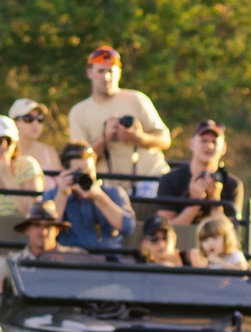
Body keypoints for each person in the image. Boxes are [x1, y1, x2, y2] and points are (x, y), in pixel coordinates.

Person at [65, 45, 170, 196]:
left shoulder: (137, 99)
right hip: (109, 187)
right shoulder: (78, 112)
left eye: (111, 71)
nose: (106, 77)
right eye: (100, 71)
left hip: (151, 180)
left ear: (119, 73)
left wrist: (138, 137)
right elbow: (77, 160)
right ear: (89, 73)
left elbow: (165, 140)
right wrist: (105, 138)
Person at [0, 201, 86, 295]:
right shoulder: (12, 262)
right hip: (22, 314)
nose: (43, 232)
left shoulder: (75, 258)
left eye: (48, 226)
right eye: (37, 226)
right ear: (27, 230)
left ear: (57, 230)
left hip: (68, 314)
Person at [46, 141, 135, 252]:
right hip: (69, 261)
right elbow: (44, 231)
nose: (85, 176)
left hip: (107, 261)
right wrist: (62, 195)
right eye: (79, 172)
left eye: (89, 171)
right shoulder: (53, 196)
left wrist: (99, 197)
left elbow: (128, 227)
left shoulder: (113, 193)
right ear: (65, 171)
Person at [157, 120, 244, 225]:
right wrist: (195, 203)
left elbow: (230, 235)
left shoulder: (233, 185)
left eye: (214, 142)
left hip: (214, 241)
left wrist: (215, 201)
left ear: (224, 148)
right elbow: (164, 230)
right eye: (204, 141)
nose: (209, 146)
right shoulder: (170, 180)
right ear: (192, 144)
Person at [9, 99, 60, 173]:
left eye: (39, 118)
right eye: (28, 118)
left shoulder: (49, 152)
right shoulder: (5, 153)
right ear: (14, 122)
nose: (35, 123)